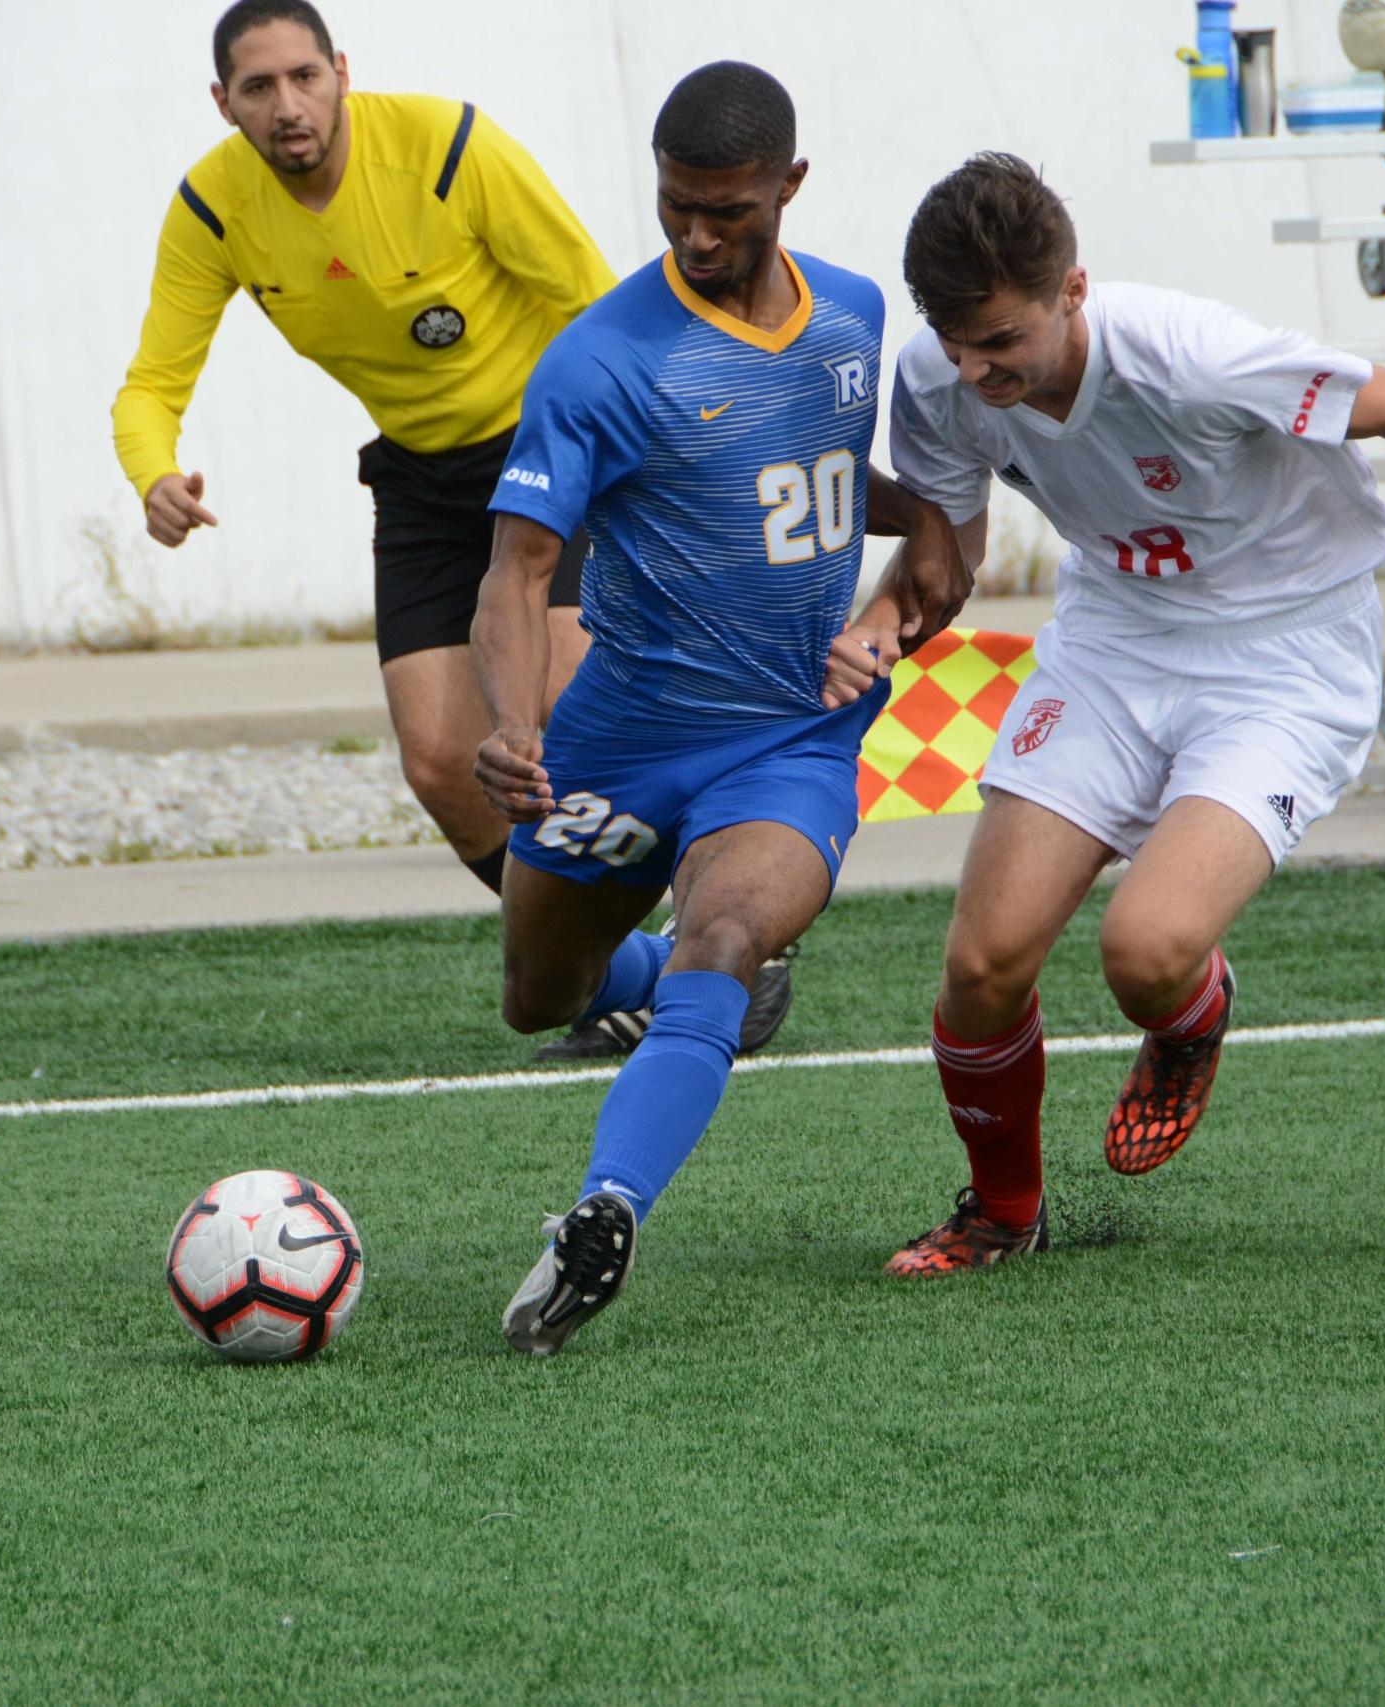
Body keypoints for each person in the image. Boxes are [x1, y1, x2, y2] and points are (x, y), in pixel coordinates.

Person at [877, 155, 1385, 1276]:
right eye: (953, 341)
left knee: (1144, 952)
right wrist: (875, 624)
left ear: (1072, 291)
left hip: (1283, 657)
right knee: (982, 965)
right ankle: (1002, 1213)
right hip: (1115, 640)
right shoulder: (937, 377)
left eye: (999, 341)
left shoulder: (1187, 354)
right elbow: (951, 554)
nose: (974, 370)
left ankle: (1188, 1017)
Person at [115, 0, 791, 1058]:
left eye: (304, 76)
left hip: (554, 441)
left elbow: (595, 300)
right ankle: (631, 971)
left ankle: (727, 931)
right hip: (420, 478)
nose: (288, 105)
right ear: (223, 102)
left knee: (568, 713)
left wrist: (674, 452)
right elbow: (151, 384)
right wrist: (154, 474)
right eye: (258, 87)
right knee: (443, 764)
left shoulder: (446, 148)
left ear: (342, 71)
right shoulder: (212, 208)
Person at [475, 63, 968, 1356]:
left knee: (729, 931)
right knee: (541, 993)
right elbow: (516, 572)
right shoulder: (599, 362)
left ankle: (604, 1211)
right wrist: (512, 721)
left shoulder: (854, 315)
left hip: (791, 733)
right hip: (620, 740)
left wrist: (916, 539)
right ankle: (659, 973)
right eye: (675, 206)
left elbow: (827, 476)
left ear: (789, 185)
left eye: (727, 211)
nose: (696, 236)